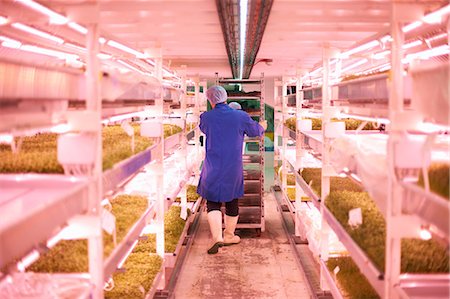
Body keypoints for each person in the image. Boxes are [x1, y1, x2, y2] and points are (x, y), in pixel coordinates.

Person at [197, 85, 266, 254]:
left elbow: (204, 129)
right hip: (232, 165)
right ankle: (229, 235)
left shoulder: (206, 117)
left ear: (211, 100)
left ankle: (217, 237)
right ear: (225, 98)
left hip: (212, 165)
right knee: (232, 199)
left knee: (212, 201)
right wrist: (262, 125)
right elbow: (256, 131)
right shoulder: (240, 116)